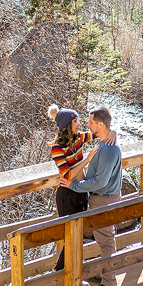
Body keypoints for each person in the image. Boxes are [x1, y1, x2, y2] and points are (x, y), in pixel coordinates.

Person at [61, 106, 122, 286]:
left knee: (106, 242)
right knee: (104, 239)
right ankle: (105, 277)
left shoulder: (109, 150)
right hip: (101, 199)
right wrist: (113, 132)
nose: (88, 126)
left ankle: (110, 283)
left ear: (101, 125)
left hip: (104, 200)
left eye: (91, 123)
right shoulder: (105, 143)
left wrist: (73, 186)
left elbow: (100, 181)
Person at [48, 104, 116, 272]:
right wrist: (86, 160)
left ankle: (74, 274)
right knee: (72, 237)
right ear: (67, 125)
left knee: (78, 236)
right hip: (67, 194)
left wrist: (114, 133)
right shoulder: (57, 148)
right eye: (76, 121)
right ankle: (60, 273)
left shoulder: (79, 137)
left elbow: (99, 131)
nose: (80, 125)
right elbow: (67, 175)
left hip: (80, 191)